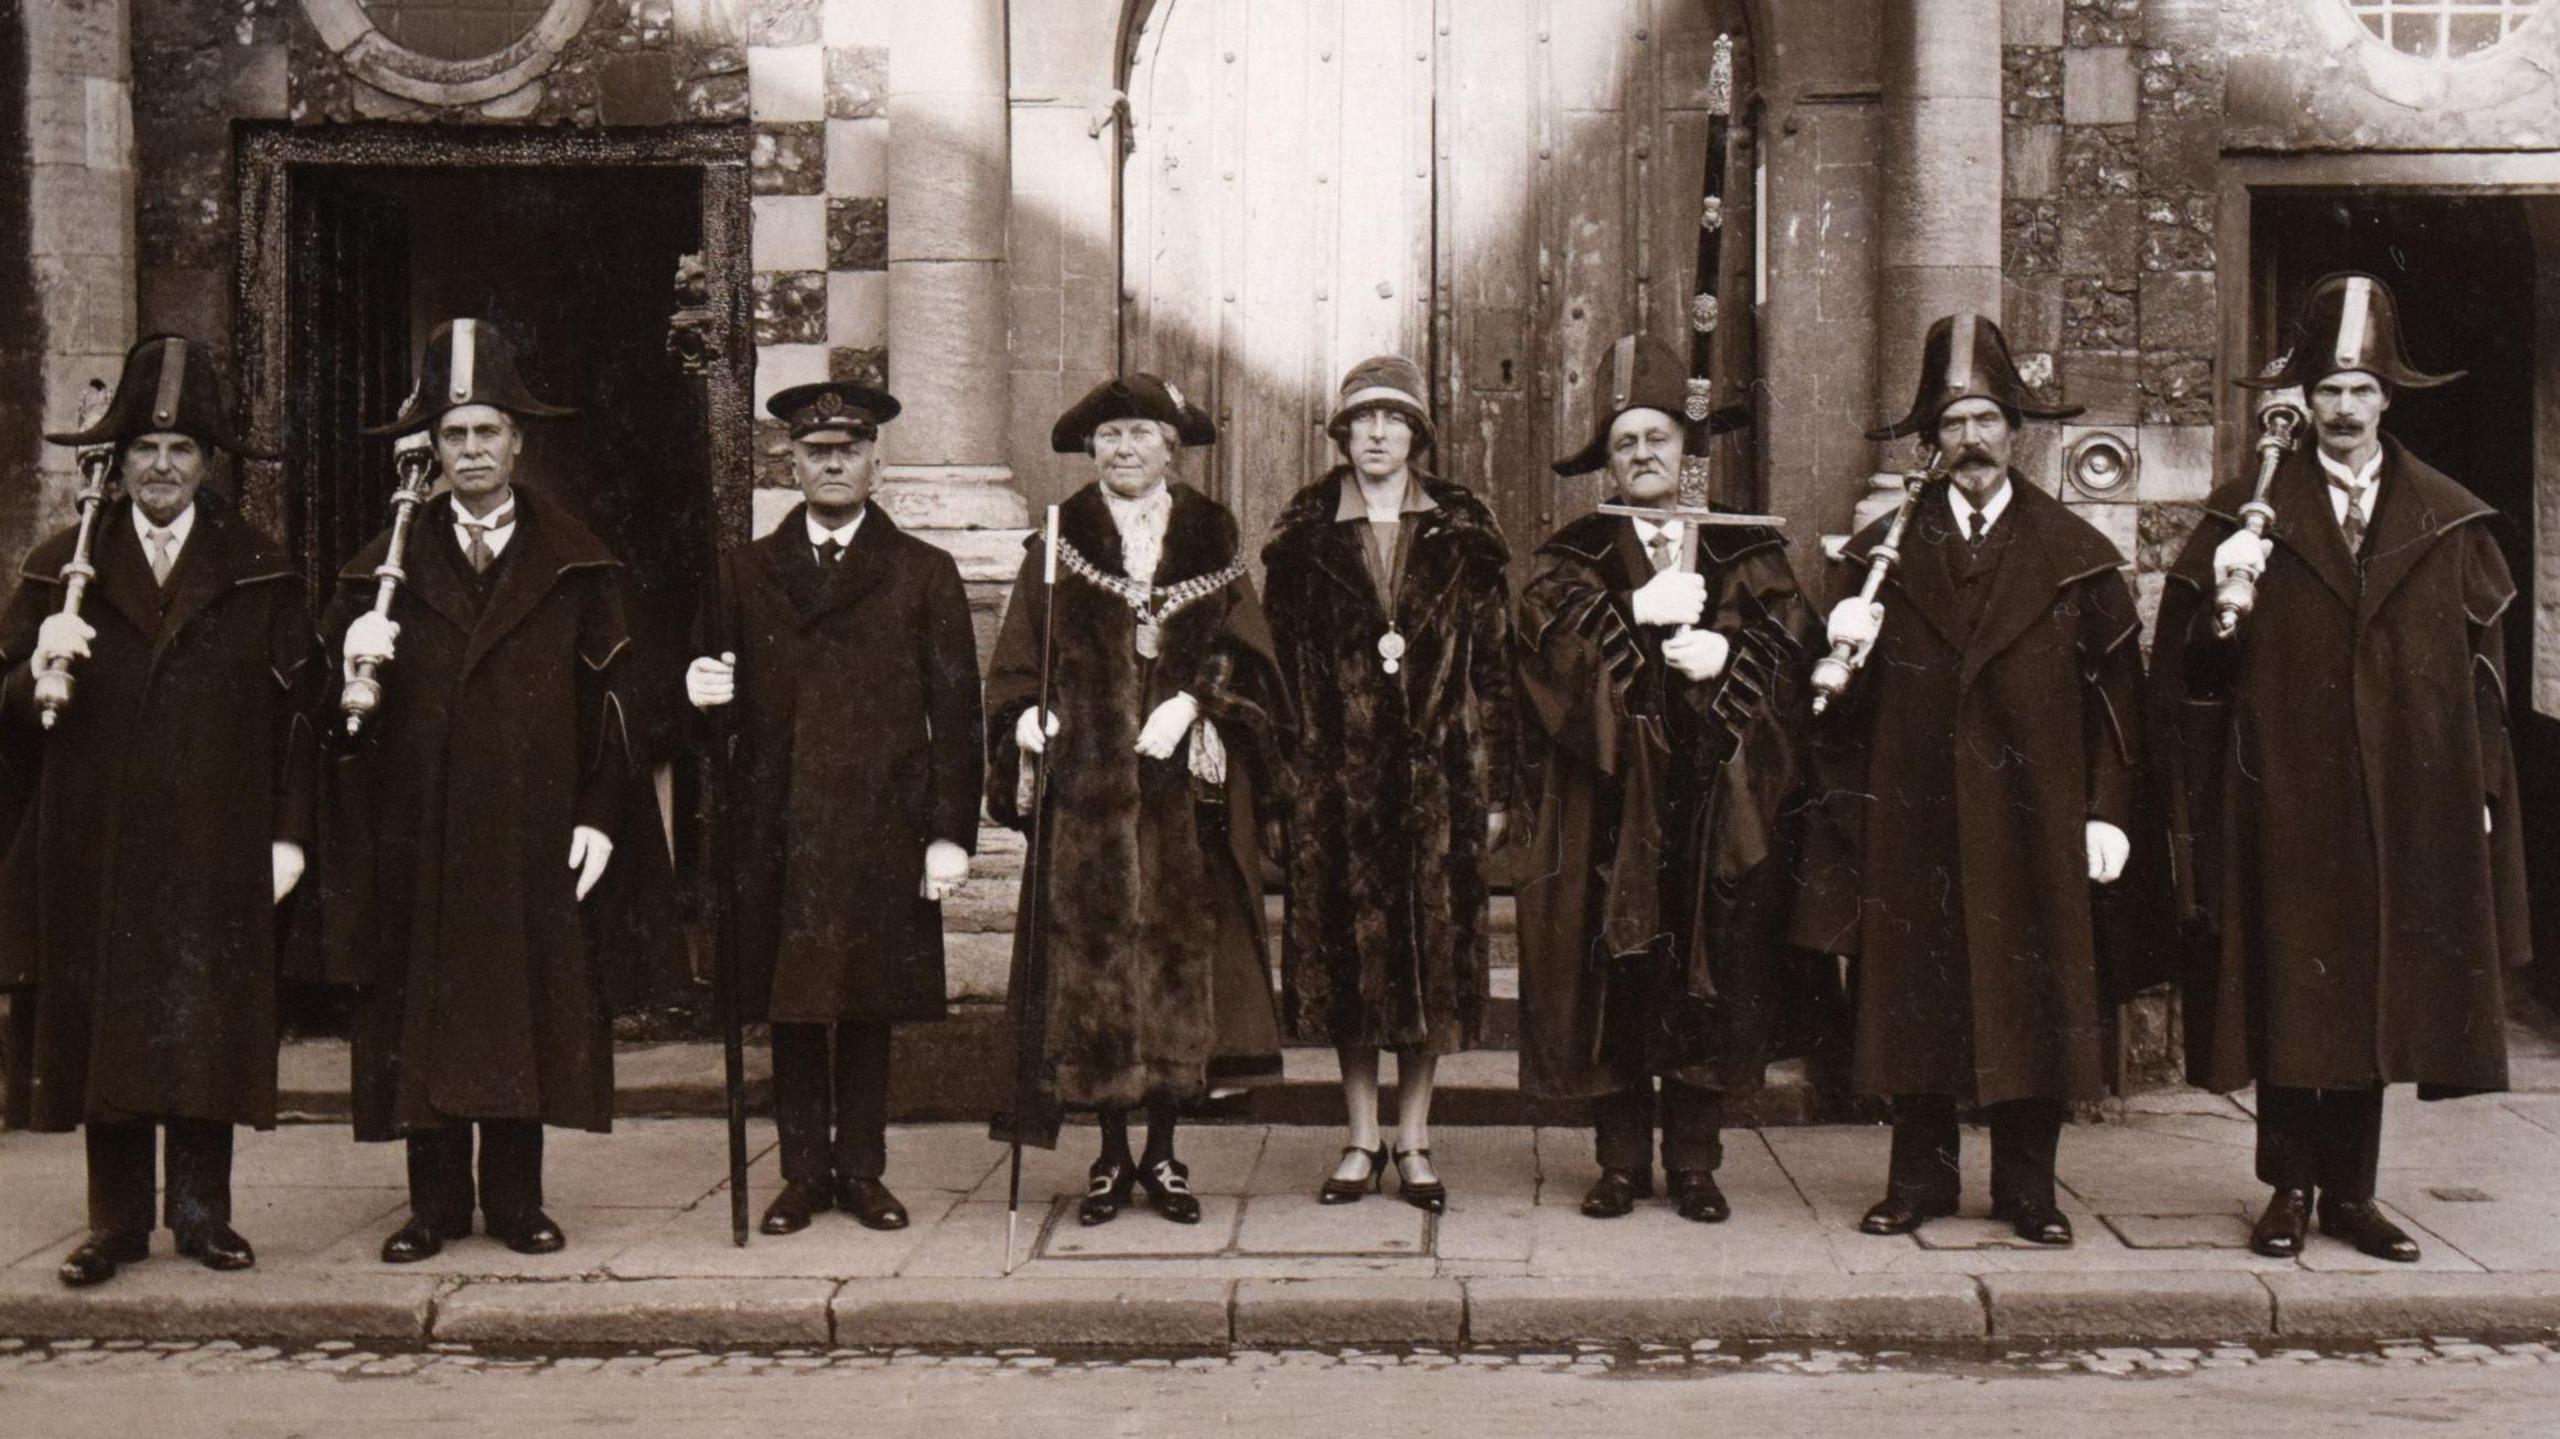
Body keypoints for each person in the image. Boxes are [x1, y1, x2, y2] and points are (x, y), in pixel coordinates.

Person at [2153, 272, 2527, 1263]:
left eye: (2361, 391)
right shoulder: (2249, 509)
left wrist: (2481, 790)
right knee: (2286, 983)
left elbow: (2482, 669)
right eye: (2328, 390)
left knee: (2364, 990)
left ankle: (2351, 1192)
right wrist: (2220, 598)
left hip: (2397, 793)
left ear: (2386, 401)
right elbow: (2191, 665)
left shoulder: (2444, 519)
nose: (2345, 408)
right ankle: (2285, 1186)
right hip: (2280, 786)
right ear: (2304, 402)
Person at [1793, 313, 2143, 1247]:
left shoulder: (2075, 556)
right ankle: (1920, 1183)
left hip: (2034, 817)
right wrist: (1840, 658)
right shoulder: (1878, 559)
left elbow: (2119, 702)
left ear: (2014, 429)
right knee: (1915, 999)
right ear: (1928, 442)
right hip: (1916, 819)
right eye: (1952, 424)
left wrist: (2107, 811)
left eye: (1987, 418)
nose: (1972, 440)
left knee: (2036, 997)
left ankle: (2029, 1189)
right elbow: (1823, 710)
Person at [320, 319, 640, 1263]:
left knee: (520, 1008)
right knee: (423, 1006)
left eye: (486, 433)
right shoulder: (379, 570)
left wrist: (600, 816)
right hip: (417, 830)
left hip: (531, 828)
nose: (470, 452)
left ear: (518, 444)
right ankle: (431, 1206)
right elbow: (336, 721)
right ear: (433, 448)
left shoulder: (576, 564)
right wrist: (351, 663)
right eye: (453, 435)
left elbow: (616, 704)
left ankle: (515, 1201)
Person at [0, 337, 316, 1287]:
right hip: (99, 837)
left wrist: (290, 833)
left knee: (206, 1018)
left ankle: (204, 1215)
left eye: (182, 451)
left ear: (208, 464)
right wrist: (33, 668)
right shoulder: (64, 567)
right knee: (108, 1022)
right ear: (119, 461)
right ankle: (117, 1222)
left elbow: (299, 716)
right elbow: (8, 701)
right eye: (145, 449)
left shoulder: (259, 567)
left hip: (219, 834)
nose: (163, 467)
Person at [1514, 335, 1817, 1224]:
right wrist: (1627, 612)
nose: (1644, 454)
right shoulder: (1575, 558)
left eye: (1659, 439)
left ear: (1688, 453)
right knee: (1618, 966)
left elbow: (1792, 657)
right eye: (1625, 443)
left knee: (1706, 966)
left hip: (1714, 798)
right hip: (1611, 804)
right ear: (1606, 464)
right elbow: (1543, 666)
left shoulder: (1745, 547)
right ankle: (1618, 1162)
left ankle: (1694, 1161)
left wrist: (1730, 654)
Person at [683, 380, 984, 1235]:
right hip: (777, 818)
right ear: (791, 463)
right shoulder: (744, 570)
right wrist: (697, 692)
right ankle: (802, 1171)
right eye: (816, 451)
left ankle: (862, 1169)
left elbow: (956, 716)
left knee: (865, 1000)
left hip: (883, 821)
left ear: (876, 462)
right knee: (792, 1000)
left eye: (849, 449)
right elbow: (711, 704)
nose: (833, 463)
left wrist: (949, 835)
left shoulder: (924, 572)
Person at [985, 374, 1287, 1226]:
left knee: (1173, 954)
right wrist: (1026, 715)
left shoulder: (1211, 535)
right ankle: (1110, 1157)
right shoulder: (1060, 538)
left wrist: (1197, 700)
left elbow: (1247, 648)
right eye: (1110, 435)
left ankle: (1165, 1153)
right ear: (1093, 450)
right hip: (1088, 790)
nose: (1124, 449)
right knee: (1097, 958)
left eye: (1140, 434)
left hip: (1181, 790)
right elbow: (1018, 654)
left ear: (1170, 448)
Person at [1259, 355, 1517, 1214]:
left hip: (1438, 780)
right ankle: (1359, 1135)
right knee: (1348, 963)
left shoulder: (1462, 537)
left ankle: (1416, 1138)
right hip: (1336, 786)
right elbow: (1281, 674)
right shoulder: (1302, 542)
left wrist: (1495, 783)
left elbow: (1495, 669)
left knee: (1432, 963)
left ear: (1417, 436)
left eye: (1392, 421)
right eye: (1361, 421)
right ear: (1341, 435)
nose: (1376, 435)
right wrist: (1284, 786)